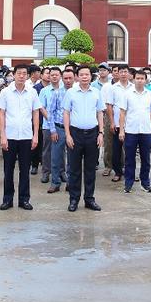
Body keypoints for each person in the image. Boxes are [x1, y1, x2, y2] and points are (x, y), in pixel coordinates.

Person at [0, 64, 42, 210]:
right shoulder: (5, 92)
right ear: (14, 75)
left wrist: (35, 135)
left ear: (28, 76)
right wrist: (2, 135)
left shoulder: (32, 92)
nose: (21, 76)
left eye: (24, 73)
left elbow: (36, 113)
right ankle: (7, 199)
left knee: (25, 169)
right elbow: (1, 114)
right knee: (8, 170)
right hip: (9, 136)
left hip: (26, 136)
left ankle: (24, 199)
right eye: (19, 73)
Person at [63, 65, 105, 212]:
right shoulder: (71, 92)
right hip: (75, 134)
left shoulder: (97, 92)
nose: (84, 77)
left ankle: (89, 199)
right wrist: (68, 134)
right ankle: (74, 199)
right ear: (77, 77)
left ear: (90, 76)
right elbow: (66, 113)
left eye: (87, 74)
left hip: (93, 134)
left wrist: (101, 133)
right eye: (81, 74)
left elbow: (100, 113)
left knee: (90, 169)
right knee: (74, 169)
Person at [118, 69, 151, 193]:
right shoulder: (127, 94)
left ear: (146, 80)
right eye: (138, 78)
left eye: (142, 78)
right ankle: (128, 183)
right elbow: (122, 113)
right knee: (129, 159)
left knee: (146, 159)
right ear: (133, 79)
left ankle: (145, 183)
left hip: (146, 131)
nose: (140, 81)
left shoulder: (150, 94)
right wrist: (121, 130)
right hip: (131, 131)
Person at [46, 69, 73, 194]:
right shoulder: (57, 93)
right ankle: (55, 183)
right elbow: (50, 112)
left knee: (72, 158)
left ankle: (70, 183)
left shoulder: (77, 93)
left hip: (73, 130)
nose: (68, 81)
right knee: (56, 157)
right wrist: (52, 130)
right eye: (65, 78)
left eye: (70, 78)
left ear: (75, 78)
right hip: (59, 128)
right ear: (62, 78)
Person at [105, 65, 133, 182]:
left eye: (125, 71)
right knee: (116, 150)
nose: (123, 74)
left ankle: (130, 172)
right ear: (118, 73)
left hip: (131, 124)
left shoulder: (133, 87)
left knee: (130, 150)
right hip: (116, 123)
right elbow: (109, 106)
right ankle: (117, 172)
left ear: (129, 73)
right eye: (121, 72)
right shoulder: (113, 88)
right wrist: (112, 122)